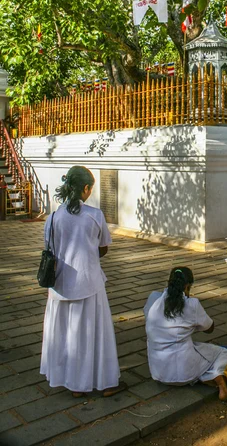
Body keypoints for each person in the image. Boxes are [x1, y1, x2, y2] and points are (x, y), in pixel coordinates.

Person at [40, 166, 125, 398]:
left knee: (67, 334)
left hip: (60, 285)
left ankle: (73, 382)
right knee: (94, 334)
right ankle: (105, 381)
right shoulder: (94, 215)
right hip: (89, 282)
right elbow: (103, 248)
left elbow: (49, 249)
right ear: (86, 189)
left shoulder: (54, 217)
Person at [144, 267, 227, 402]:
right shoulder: (191, 304)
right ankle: (217, 378)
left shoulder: (153, 298)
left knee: (195, 348)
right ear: (187, 286)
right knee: (223, 353)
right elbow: (210, 328)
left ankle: (206, 377)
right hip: (184, 372)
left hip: (158, 372)